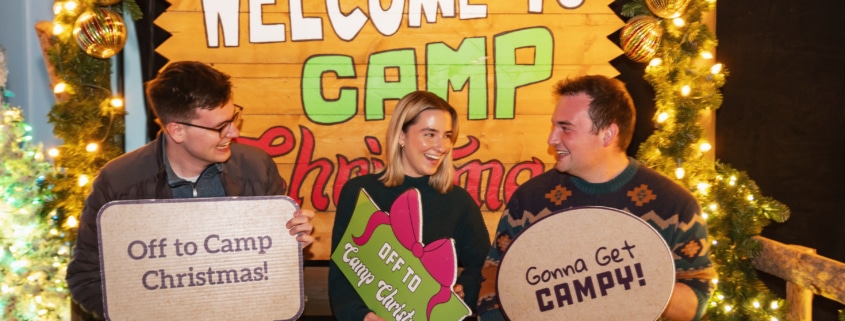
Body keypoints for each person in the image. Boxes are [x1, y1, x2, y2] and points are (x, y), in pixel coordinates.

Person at [65, 61, 314, 319]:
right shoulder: (119, 182)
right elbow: (86, 279)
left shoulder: (256, 168)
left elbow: (273, 273)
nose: (234, 132)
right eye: (220, 127)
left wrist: (292, 245)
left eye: (233, 118)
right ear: (177, 130)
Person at [476, 75, 716, 321]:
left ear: (608, 134)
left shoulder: (674, 206)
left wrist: (624, 278)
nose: (551, 139)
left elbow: (696, 299)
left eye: (565, 128)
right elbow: (493, 280)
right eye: (554, 126)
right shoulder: (529, 201)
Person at [329, 91, 490, 321]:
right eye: (429, 134)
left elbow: (485, 269)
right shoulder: (358, 192)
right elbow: (342, 272)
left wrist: (463, 292)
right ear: (401, 136)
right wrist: (362, 316)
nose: (441, 146)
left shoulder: (459, 202)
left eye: (447, 136)